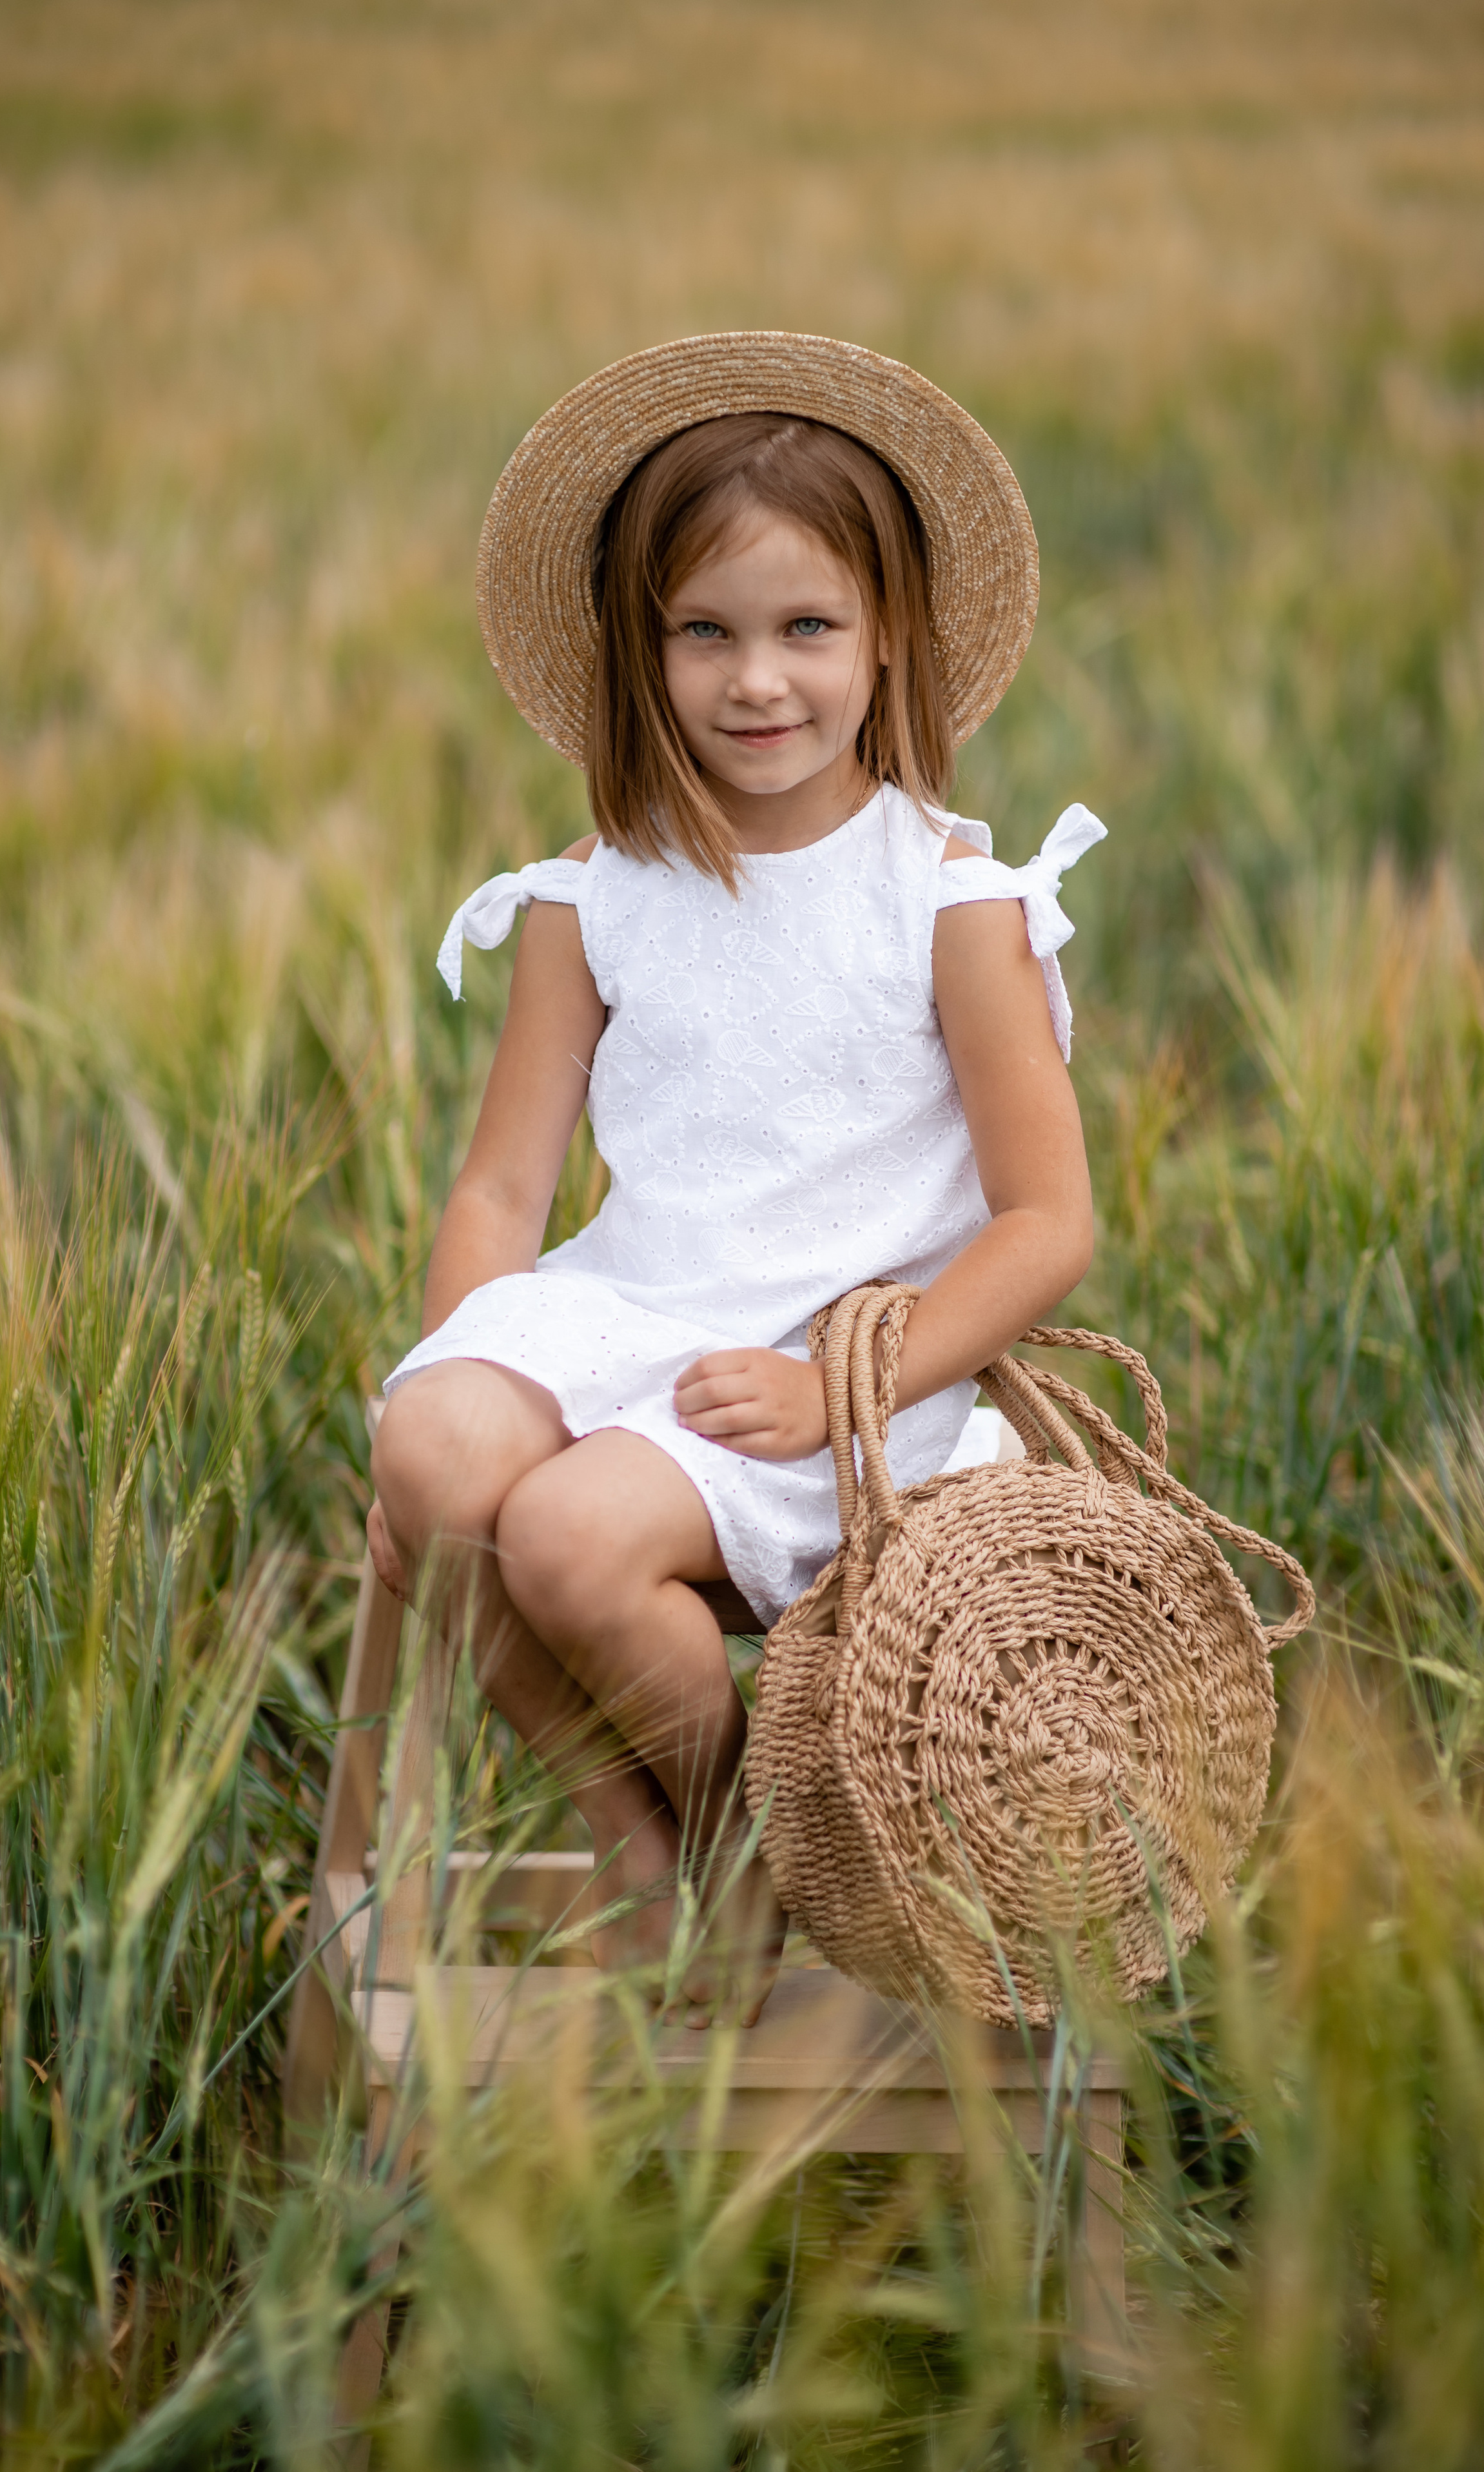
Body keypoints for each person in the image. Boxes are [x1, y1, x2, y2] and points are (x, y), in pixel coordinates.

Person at [367, 333, 1102, 2028]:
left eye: (805, 630)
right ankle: (659, 1830)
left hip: (848, 1375)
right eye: (705, 631)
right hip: (638, 1325)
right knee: (433, 1450)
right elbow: (499, 1189)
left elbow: (1048, 1221)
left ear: (886, 639)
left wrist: (830, 1378)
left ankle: (709, 1830)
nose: (755, 679)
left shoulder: (951, 901)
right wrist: (484, 1359)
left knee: (559, 1534)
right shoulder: (594, 892)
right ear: (642, 648)